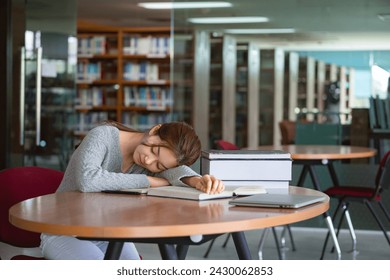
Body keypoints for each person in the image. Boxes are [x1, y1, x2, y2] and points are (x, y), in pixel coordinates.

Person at [40, 120, 225, 260]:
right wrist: (148, 181)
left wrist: (197, 181)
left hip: (109, 234)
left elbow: (176, 171)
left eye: (159, 165)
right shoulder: (103, 135)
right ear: (154, 130)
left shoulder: (153, 163)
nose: (148, 161)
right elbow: (88, 180)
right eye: (155, 152)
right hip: (63, 232)